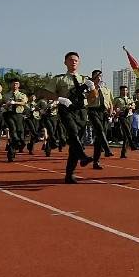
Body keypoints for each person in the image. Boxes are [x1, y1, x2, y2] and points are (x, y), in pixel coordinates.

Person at [52, 52, 95, 183]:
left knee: (76, 142)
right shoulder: (59, 79)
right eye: (70, 60)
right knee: (73, 133)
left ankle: (69, 174)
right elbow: (44, 93)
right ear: (65, 62)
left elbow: (93, 96)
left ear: (79, 62)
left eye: (76, 60)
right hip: (66, 110)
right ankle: (82, 156)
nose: (73, 62)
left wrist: (92, 87)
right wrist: (60, 99)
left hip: (81, 111)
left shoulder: (84, 79)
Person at [113, 86, 137, 158]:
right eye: (123, 90)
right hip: (122, 116)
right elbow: (114, 108)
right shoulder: (117, 99)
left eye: (126, 90)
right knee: (126, 130)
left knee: (126, 134)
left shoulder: (130, 99)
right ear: (120, 91)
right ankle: (132, 144)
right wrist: (117, 112)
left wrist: (130, 106)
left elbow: (134, 107)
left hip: (129, 116)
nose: (124, 91)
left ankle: (123, 152)